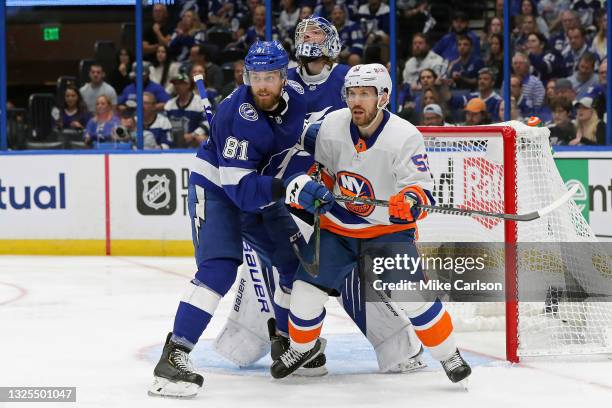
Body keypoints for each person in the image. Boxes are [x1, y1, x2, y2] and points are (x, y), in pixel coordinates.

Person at [270, 63, 471, 385]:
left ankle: (449, 354)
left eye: (365, 93)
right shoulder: (332, 126)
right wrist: (310, 186)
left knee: (411, 297)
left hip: (388, 231)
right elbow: (316, 168)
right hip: (338, 229)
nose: (356, 101)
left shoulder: (404, 135)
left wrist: (409, 201)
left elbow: (423, 193)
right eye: (351, 93)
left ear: (384, 97)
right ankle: (300, 348)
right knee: (305, 294)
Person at [149, 41, 325, 399]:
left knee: (294, 263)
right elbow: (240, 190)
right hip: (217, 189)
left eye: (271, 77)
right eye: (256, 77)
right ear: (247, 76)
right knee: (219, 268)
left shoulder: (297, 103)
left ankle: (286, 341)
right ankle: (174, 356)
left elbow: (291, 156)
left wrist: (305, 180)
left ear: (283, 77)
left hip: (257, 187)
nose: (263, 85)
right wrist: (289, 188)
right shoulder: (236, 116)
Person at [286, 16, 427, 374]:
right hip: (292, 187)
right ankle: (293, 344)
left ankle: (399, 346)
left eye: (318, 33)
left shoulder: (345, 80)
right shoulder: (280, 79)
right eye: (305, 33)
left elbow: (367, 130)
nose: (310, 39)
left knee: (352, 278)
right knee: (285, 270)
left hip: (341, 197)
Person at [164, 72, 209, 147]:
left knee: (201, 138)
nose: (177, 86)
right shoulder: (169, 104)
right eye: (175, 84)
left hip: (194, 141)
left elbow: (207, 123)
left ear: (188, 85)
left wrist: (193, 134)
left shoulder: (200, 102)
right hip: (175, 141)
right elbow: (164, 125)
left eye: (180, 83)